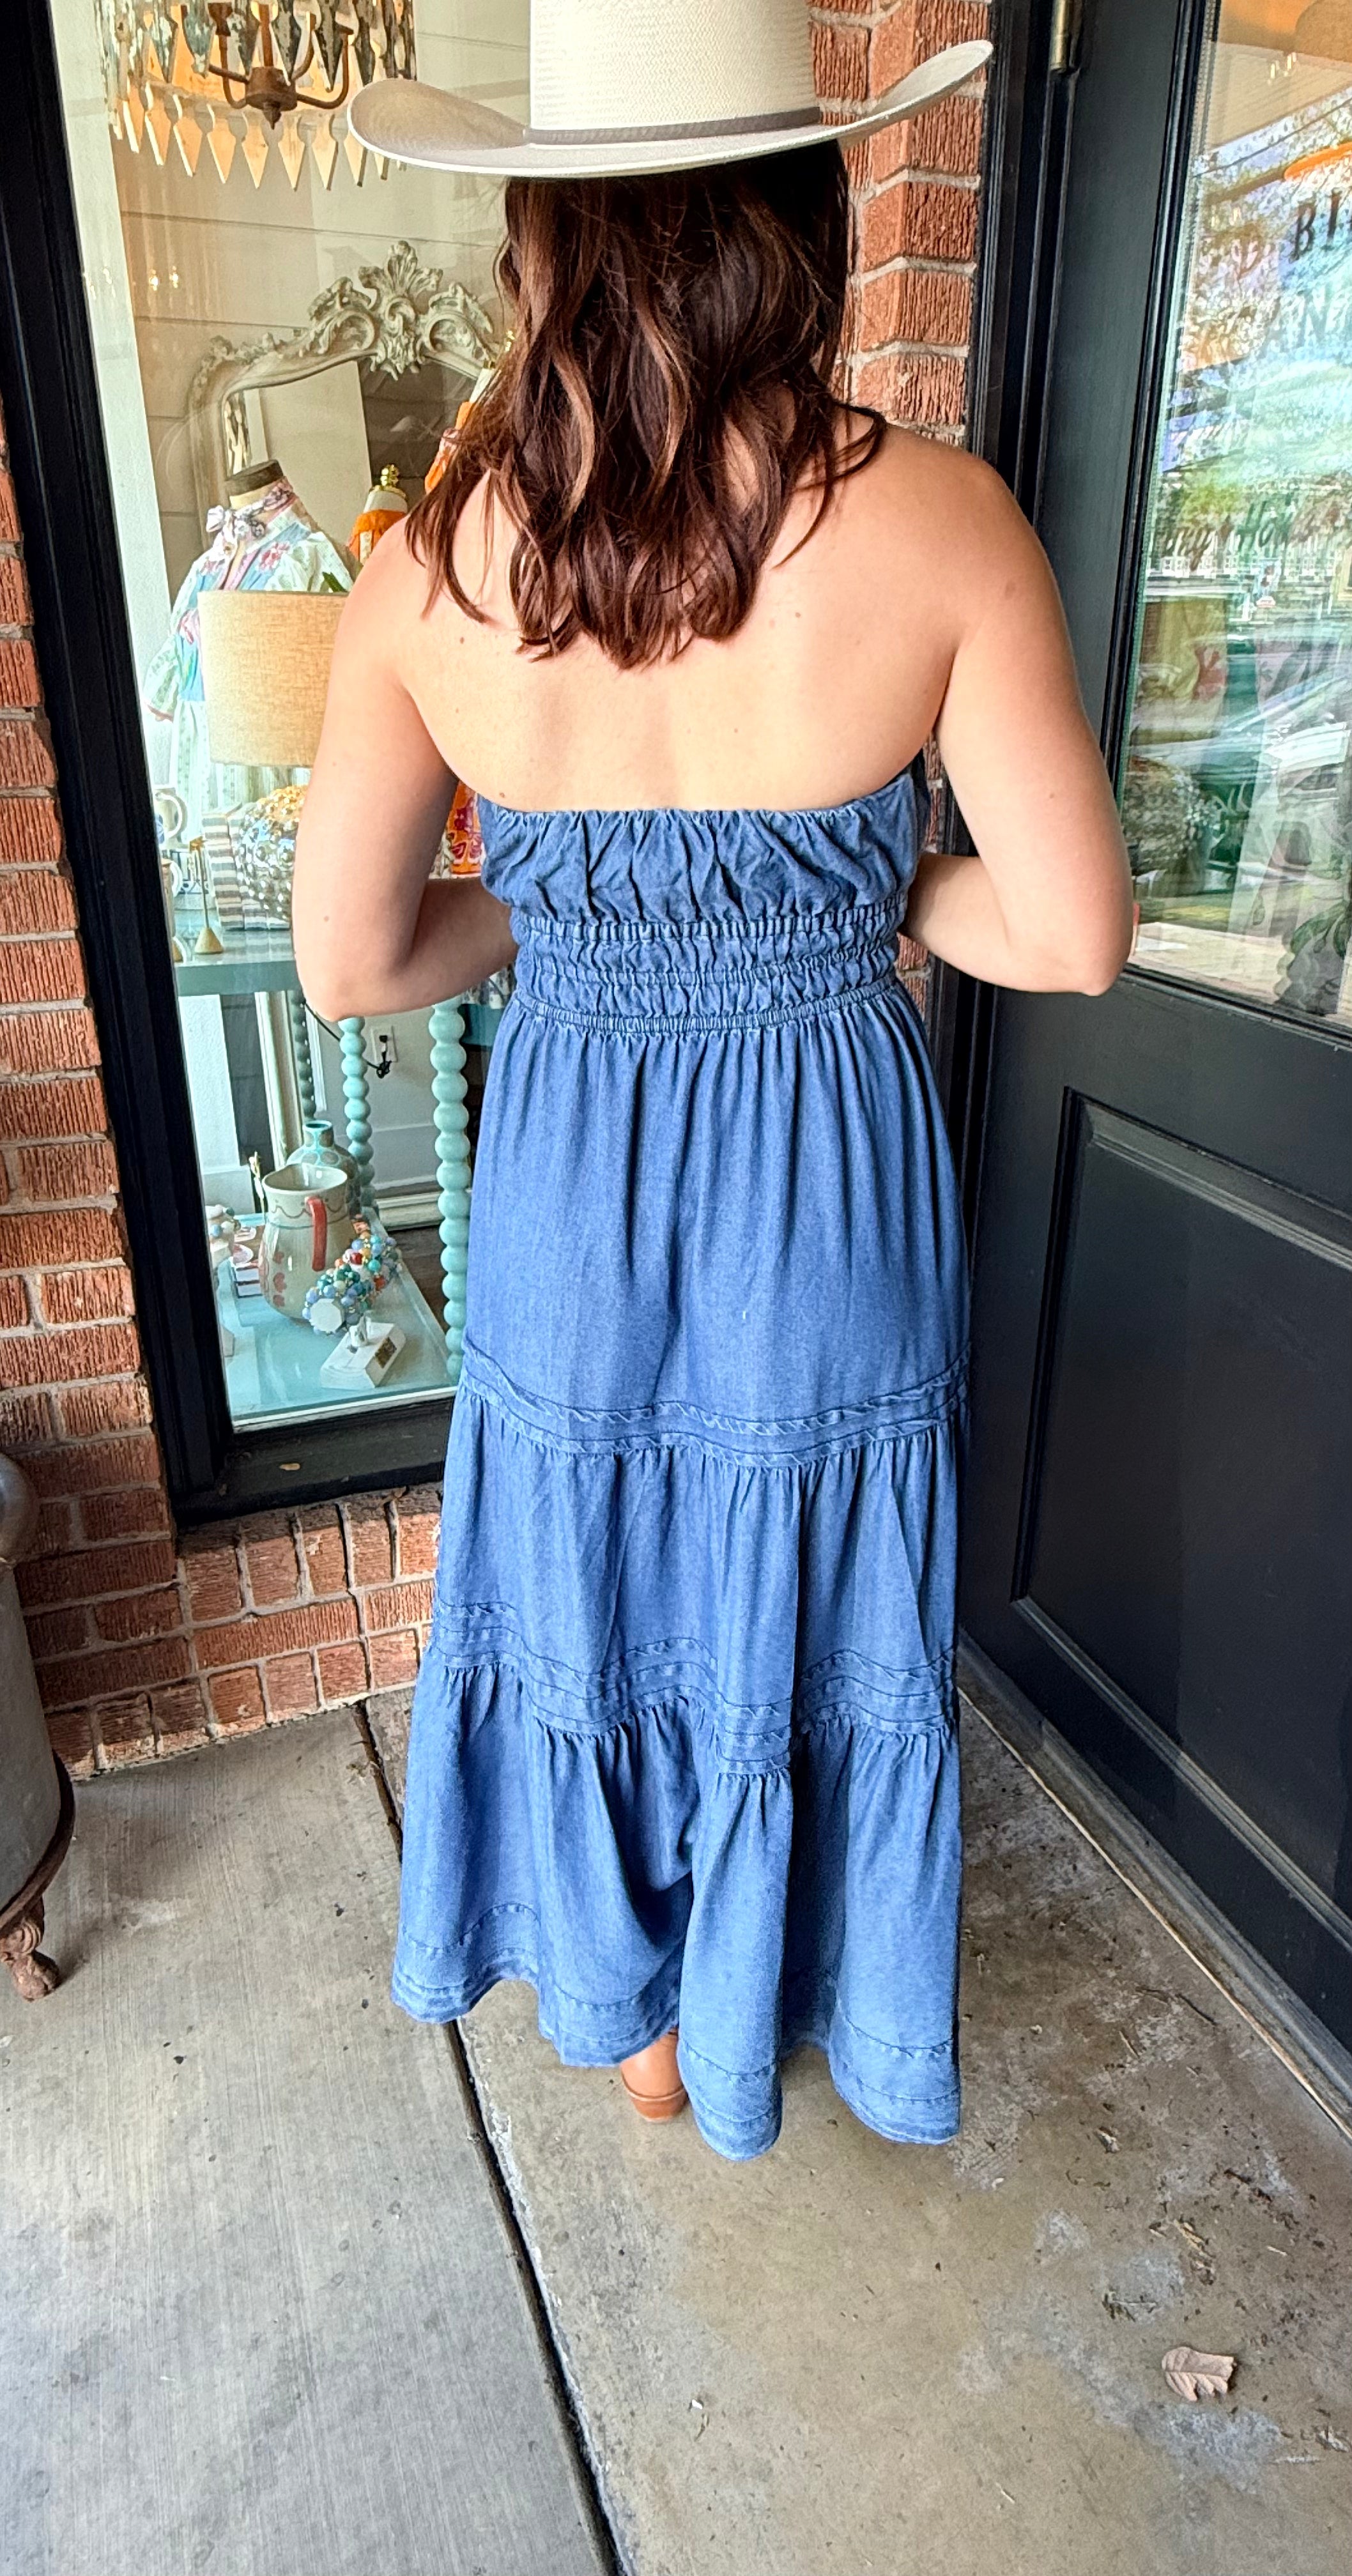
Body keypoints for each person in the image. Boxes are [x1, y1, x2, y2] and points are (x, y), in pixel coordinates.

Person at [291, 0, 1133, 2160]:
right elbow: (1065, 934)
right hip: (820, 1174)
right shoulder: (942, 524)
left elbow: (354, 960)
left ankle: (640, 2022)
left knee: (591, 1562)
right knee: (799, 1573)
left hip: (571, 1158)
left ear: (544, 234)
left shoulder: (432, 566)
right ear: (799, 215)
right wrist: (849, 898)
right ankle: (769, 2000)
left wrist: (570, 919)